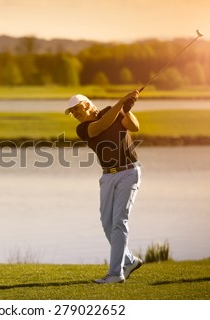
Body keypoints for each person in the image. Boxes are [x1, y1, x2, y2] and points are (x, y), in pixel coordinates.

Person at [65, 91, 143, 284]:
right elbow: (101, 125)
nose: (75, 114)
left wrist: (127, 109)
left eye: (77, 109)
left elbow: (134, 126)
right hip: (107, 176)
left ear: (89, 105)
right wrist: (121, 104)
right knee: (107, 223)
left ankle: (116, 273)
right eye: (72, 112)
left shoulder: (112, 111)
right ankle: (129, 260)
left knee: (119, 221)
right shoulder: (82, 128)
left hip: (129, 173)